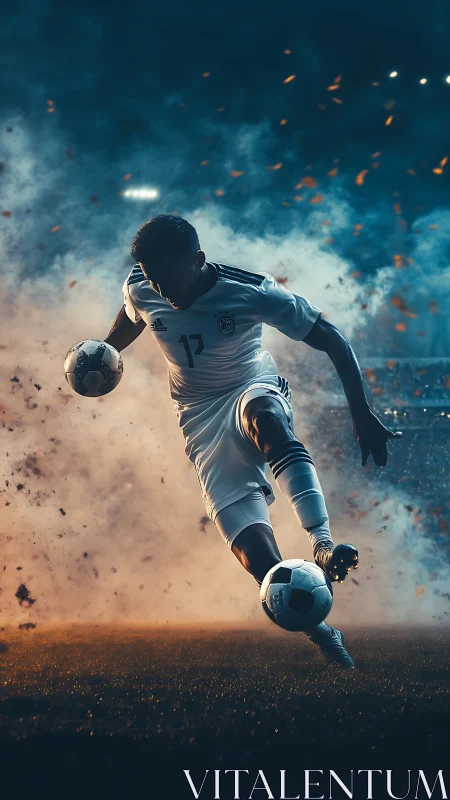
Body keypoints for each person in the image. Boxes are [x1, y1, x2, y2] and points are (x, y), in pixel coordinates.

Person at [105, 214, 401, 669]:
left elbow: (333, 339)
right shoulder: (141, 285)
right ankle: (323, 633)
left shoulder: (251, 290)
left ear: (198, 261)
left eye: (167, 277)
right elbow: (133, 316)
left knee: (265, 417)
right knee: (262, 565)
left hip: (250, 384)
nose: (160, 289)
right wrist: (105, 353)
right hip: (199, 418)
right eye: (151, 278)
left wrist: (360, 414)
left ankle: (321, 543)